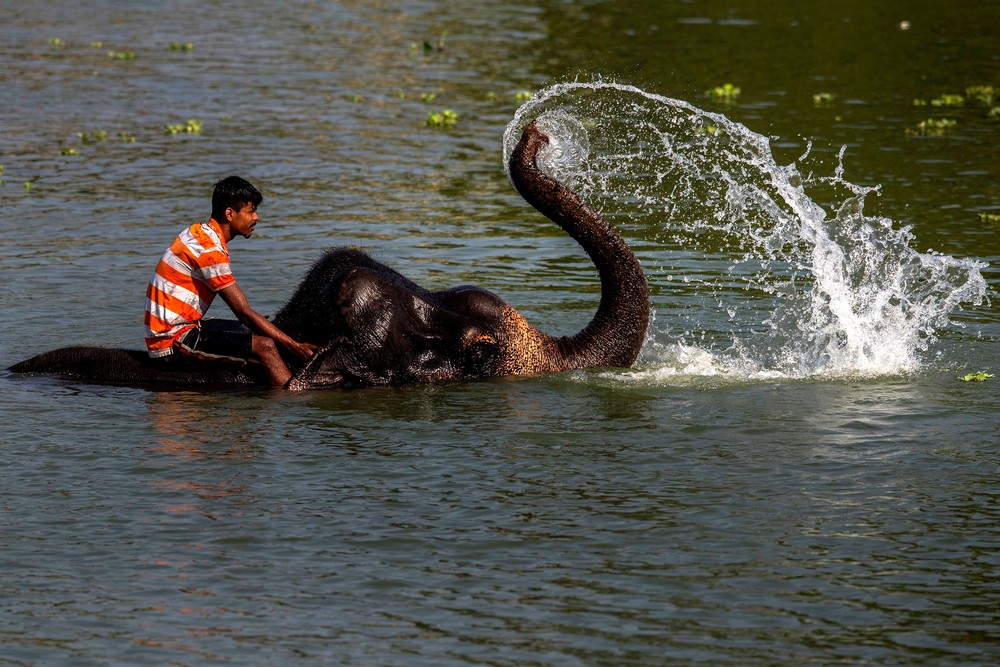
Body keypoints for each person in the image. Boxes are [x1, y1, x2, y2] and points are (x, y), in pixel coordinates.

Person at [143, 176, 318, 386]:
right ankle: (295, 403)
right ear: (229, 214)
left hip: (180, 326)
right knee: (266, 347)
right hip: (172, 340)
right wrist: (295, 346)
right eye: (250, 211)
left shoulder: (199, 233)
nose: (256, 217)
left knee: (253, 330)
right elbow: (243, 311)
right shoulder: (209, 251)